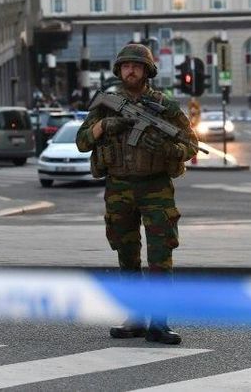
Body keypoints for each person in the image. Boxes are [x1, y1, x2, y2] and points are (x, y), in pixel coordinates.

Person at [76, 44, 197, 345]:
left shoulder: (164, 106)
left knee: (160, 255)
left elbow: (192, 145)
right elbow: (81, 141)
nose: (131, 70)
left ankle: (159, 322)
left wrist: (170, 149)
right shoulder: (105, 104)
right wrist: (104, 125)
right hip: (119, 187)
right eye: (126, 65)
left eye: (137, 66)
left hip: (155, 187)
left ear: (147, 71)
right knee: (126, 254)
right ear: (119, 70)